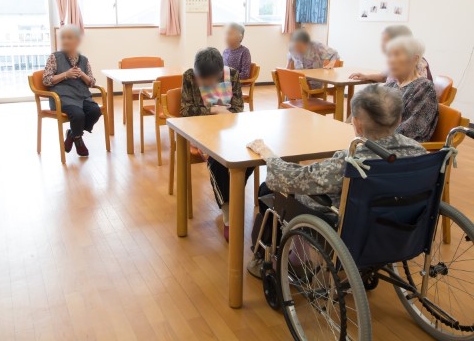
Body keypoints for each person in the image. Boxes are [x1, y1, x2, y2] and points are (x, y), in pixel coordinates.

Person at [247, 84, 427, 277]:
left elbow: (291, 178)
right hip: (400, 225)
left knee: (268, 190)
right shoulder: (419, 152)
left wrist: (269, 155)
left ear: (356, 124)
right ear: (399, 119)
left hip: (351, 228)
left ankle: (291, 260)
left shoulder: (351, 161)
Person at [181, 47, 252, 242]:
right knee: (216, 162)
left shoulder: (232, 75)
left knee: (250, 156)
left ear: (220, 74)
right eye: (201, 79)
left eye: (209, 80)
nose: (204, 83)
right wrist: (214, 110)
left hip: (229, 132)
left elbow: (238, 108)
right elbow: (186, 110)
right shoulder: (189, 77)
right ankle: (229, 212)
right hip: (201, 132)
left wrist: (222, 114)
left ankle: (233, 194)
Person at [42, 25, 101, 157]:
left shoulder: (84, 60)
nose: (65, 41)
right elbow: (46, 80)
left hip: (82, 97)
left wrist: (82, 75)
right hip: (62, 98)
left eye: (69, 38)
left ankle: (72, 135)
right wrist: (66, 75)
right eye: (63, 38)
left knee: (95, 111)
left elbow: (92, 82)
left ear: (77, 41)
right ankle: (78, 139)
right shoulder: (54, 57)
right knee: (78, 115)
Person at [383, 36, 438, 142]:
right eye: (390, 55)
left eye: (397, 55)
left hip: (400, 147)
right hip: (377, 141)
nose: (391, 60)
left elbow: (408, 131)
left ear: (415, 59)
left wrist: (373, 133)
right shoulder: (391, 85)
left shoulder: (424, 88)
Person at [349, 25, 433, 82]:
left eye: (386, 41)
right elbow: (384, 76)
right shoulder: (396, 61)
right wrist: (366, 76)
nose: (383, 45)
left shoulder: (415, 63)